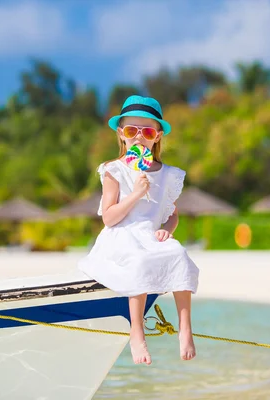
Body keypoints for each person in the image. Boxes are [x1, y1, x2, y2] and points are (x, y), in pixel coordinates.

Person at [78, 95, 199, 365]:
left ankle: (186, 328)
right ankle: (137, 332)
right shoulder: (114, 170)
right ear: (122, 135)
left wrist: (167, 230)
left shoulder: (167, 174)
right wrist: (135, 194)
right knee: (140, 260)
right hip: (121, 234)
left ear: (157, 137)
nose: (139, 138)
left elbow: (172, 214)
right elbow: (109, 218)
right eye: (132, 131)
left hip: (150, 234)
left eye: (147, 132)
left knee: (178, 253)